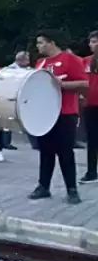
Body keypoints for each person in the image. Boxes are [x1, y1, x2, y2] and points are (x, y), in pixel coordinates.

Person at [31, 31, 85, 204]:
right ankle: (43, 186)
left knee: (65, 152)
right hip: (44, 114)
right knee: (45, 152)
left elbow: (85, 83)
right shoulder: (40, 63)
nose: (37, 46)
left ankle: (72, 190)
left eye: (40, 43)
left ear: (51, 43)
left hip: (65, 112)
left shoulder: (71, 59)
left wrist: (62, 84)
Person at [2, 51, 30, 150]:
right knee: (7, 119)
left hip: (15, 97)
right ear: (20, 60)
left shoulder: (20, 69)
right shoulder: (11, 70)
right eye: (27, 59)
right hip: (8, 96)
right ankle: (5, 142)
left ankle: (5, 142)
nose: (29, 61)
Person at [81, 31, 98, 184]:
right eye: (91, 42)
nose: (92, 45)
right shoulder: (85, 61)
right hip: (90, 105)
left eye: (95, 41)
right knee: (92, 140)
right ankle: (92, 172)